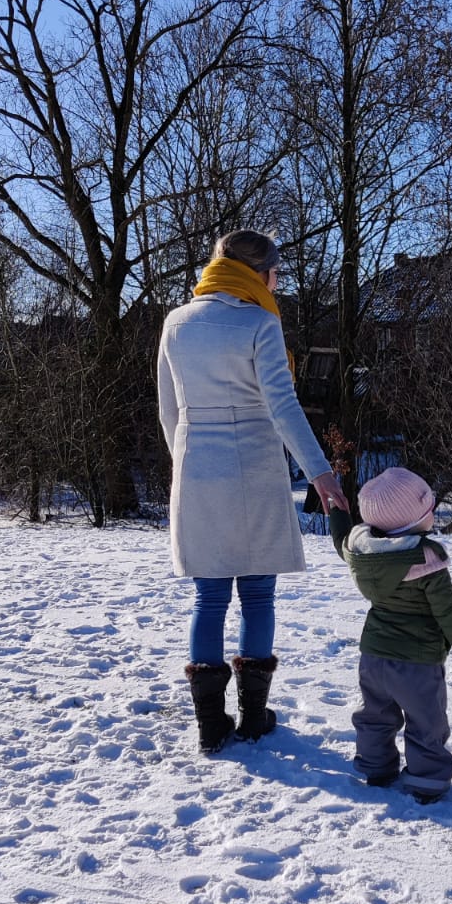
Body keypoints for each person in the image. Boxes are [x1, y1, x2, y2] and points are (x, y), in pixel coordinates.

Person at [157, 230, 348, 752]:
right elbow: (284, 408)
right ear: (259, 274)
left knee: (210, 595)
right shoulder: (261, 323)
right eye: (277, 273)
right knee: (258, 594)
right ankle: (253, 716)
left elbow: (168, 412)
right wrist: (321, 474)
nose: (278, 283)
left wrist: (188, 469)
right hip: (257, 468)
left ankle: (210, 725)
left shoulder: (176, 324)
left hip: (197, 468)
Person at [328, 466, 452, 803]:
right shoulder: (426, 560)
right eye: (428, 509)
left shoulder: (363, 553)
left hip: (373, 657)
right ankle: (426, 782)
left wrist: (339, 513)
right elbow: (448, 613)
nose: (432, 514)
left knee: (375, 716)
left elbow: (342, 543)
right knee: (426, 722)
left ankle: (376, 768)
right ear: (410, 521)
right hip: (417, 662)